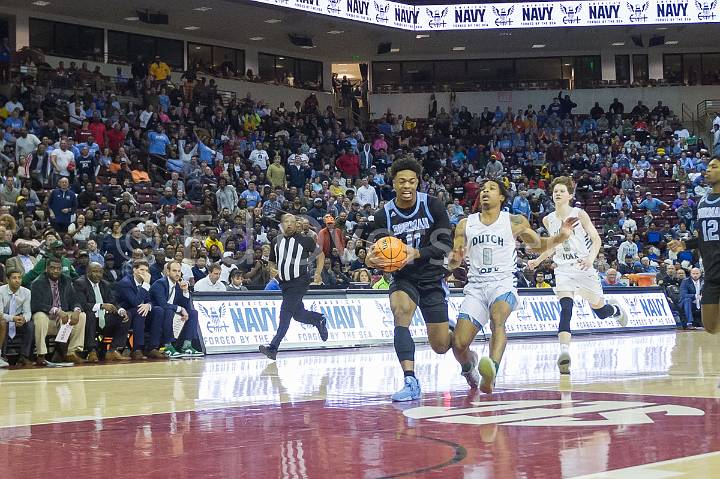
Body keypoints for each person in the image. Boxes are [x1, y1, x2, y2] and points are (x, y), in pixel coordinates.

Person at [448, 179, 577, 393]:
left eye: (491, 189)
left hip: (502, 283)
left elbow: (537, 246)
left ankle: (492, 371)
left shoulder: (514, 221)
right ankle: (469, 366)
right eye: (483, 189)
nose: (485, 192)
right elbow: (455, 258)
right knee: (459, 344)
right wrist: (454, 260)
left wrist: (561, 236)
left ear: (501, 197)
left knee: (498, 320)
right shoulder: (465, 223)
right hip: (476, 287)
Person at [365, 157, 454, 401]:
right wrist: (372, 261)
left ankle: (453, 334)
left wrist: (418, 253)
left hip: (432, 277)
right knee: (400, 311)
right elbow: (379, 251)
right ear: (393, 183)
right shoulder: (383, 215)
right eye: (402, 181)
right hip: (403, 277)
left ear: (418, 183)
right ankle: (410, 380)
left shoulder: (433, 205)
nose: (407, 186)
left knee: (440, 346)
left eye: (412, 181)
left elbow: (446, 243)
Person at [527, 176, 628, 375]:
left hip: (583, 266)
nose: (557, 193)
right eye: (555, 191)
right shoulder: (548, 219)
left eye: (562, 191)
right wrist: (538, 261)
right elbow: (553, 245)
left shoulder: (579, 214)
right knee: (566, 308)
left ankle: (615, 311)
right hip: (563, 268)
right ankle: (564, 353)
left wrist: (591, 258)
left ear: (570, 195)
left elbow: (596, 239)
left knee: (600, 311)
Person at [258, 213, 328, 360]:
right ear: (281, 225)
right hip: (284, 284)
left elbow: (320, 255)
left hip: (299, 282)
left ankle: (273, 347)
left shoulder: (306, 240)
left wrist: (318, 272)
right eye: (285, 221)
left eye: (292, 221)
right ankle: (318, 319)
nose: (289, 224)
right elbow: (271, 261)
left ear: (297, 224)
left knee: (285, 313)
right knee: (298, 315)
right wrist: (272, 269)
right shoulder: (275, 241)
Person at [670, 157, 720, 334]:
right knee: (710, 326)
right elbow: (703, 237)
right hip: (711, 273)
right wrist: (684, 244)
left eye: (714, 167)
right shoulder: (702, 202)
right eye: (708, 167)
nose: (708, 170)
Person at [31, 256, 87, 366]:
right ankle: (41, 354)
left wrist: (76, 310)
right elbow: (36, 304)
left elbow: (74, 299)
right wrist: (56, 310)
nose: (56, 271)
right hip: (48, 319)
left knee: (82, 315)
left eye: (58, 268)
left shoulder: (66, 280)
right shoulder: (38, 282)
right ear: (46, 269)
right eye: (52, 268)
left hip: (64, 319)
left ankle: (72, 352)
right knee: (40, 317)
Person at [74, 262, 130, 362]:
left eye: (100, 272)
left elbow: (112, 302)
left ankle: (113, 350)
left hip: (104, 319)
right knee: (90, 315)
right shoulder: (80, 283)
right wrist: (101, 306)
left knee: (125, 316)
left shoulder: (105, 284)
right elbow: (82, 304)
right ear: (88, 272)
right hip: (89, 320)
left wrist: (121, 310)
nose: (98, 274)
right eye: (95, 271)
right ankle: (92, 351)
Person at [149, 261, 204, 358]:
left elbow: (185, 306)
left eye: (179, 271)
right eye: (174, 271)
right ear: (167, 272)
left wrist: (185, 291)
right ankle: (167, 346)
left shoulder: (178, 285)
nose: (177, 273)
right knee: (168, 311)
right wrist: (180, 309)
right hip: (156, 315)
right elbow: (163, 304)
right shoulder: (159, 284)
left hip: (171, 312)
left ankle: (186, 346)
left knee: (193, 313)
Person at [115, 260, 154, 360]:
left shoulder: (145, 283)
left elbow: (151, 300)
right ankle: (137, 349)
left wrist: (148, 305)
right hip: (124, 313)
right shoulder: (126, 283)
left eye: (146, 270)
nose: (144, 273)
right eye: (141, 270)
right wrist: (145, 285)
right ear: (134, 270)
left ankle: (154, 347)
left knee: (158, 310)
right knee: (139, 311)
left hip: (140, 312)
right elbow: (135, 302)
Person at [0, 269, 34, 367]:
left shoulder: (26, 292)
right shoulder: (1, 291)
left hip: (18, 320)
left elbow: (28, 312)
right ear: (7, 279)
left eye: (19, 278)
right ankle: (2, 355)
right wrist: (12, 318)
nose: (17, 280)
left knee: (30, 325)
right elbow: (0, 314)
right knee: (3, 323)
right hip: (4, 319)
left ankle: (24, 356)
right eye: (14, 278)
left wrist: (24, 319)